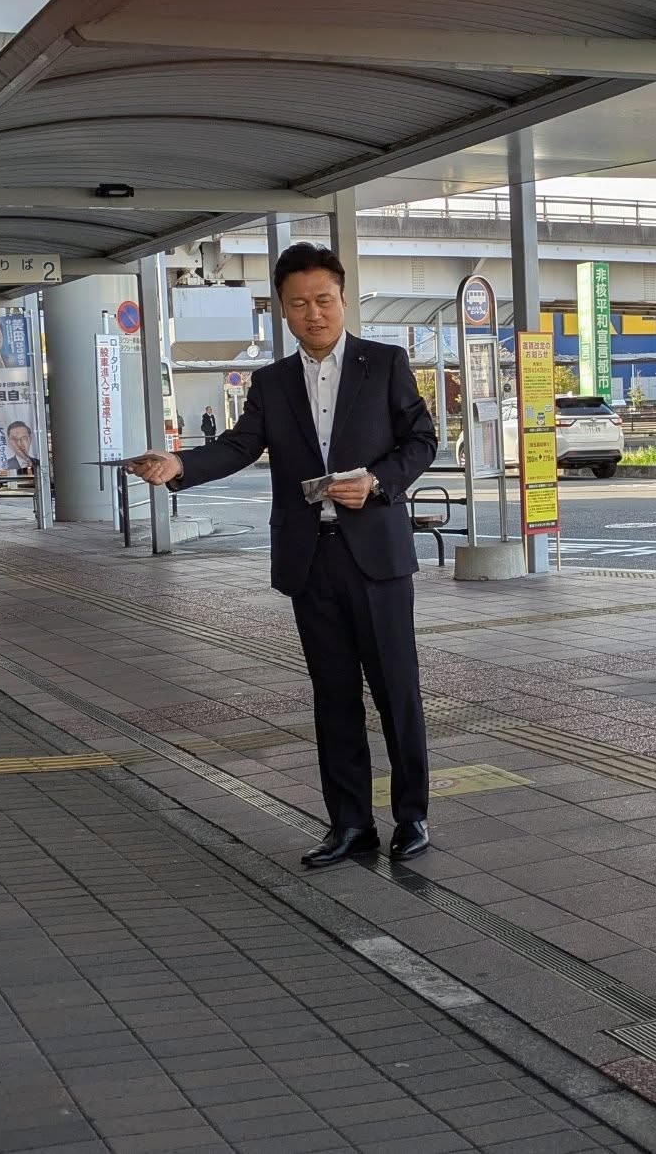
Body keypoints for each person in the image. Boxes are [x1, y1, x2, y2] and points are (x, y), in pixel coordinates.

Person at [130, 243, 437, 867]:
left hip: (376, 556)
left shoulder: (385, 363)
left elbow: (422, 439)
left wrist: (377, 481)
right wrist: (180, 463)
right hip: (311, 559)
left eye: (323, 300)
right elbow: (241, 446)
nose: (313, 314)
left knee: (396, 690)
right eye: (298, 304)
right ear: (281, 311)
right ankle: (350, 825)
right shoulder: (271, 382)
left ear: (343, 299)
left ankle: (411, 817)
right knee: (333, 696)